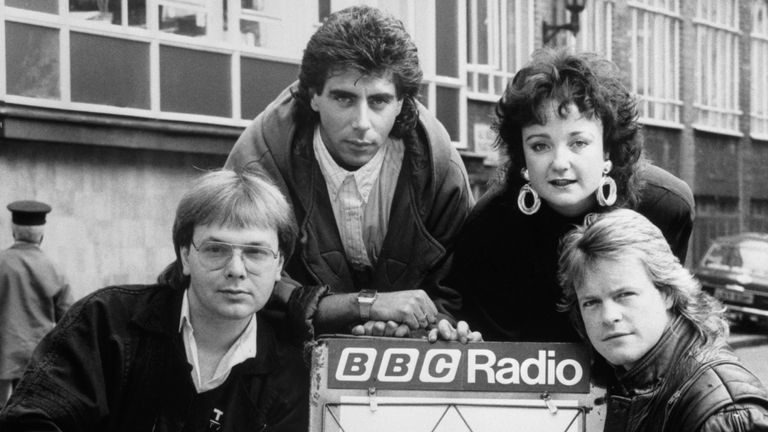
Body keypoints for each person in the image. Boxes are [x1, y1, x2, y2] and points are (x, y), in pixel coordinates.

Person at [225, 5, 476, 342]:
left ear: (402, 103)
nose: (361, 122)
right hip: (284, 351)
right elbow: (241, 279)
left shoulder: (438, 163)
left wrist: (422, 327)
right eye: (344, 98)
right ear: (313, 96)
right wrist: (365, 306)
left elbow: (460, 285)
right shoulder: (261, 159)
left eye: (378, 101)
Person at [0, 170, 309, 431]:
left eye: (255, 252)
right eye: (216, 249)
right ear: (186, 256)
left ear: (279, 265)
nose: (236, 270)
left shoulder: (292, 371)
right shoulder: (105, 324)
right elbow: (30, 420)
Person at [445, 48, 694, 343]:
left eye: (578, 142)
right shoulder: (488, 228)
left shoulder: (663, 206)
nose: (559, 162)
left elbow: (666, 327)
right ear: (522, 157)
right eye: (540, 146)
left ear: (607, 149)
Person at [557, 209, 768, 432]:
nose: (609, 316)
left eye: (625, 295)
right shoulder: (627, 378)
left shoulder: (725, 414)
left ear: (667, 293)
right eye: (591, 302)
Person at [0, 200, 72, 407]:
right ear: (41, 235)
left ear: (14, 231)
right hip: (37, 359)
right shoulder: (54, 269)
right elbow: (69, 321)